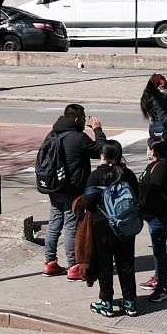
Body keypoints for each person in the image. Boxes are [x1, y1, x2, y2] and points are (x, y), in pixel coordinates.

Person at [41, 103, 104, 278]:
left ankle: (49, 262)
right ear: (76, 119)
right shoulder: (78, 138)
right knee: (70, 226)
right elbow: (101, 150)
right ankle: (73, 265)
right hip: (72, 189)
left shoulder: (53, 134)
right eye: (83, 118)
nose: (85, 122)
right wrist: (98, 130)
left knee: (54, 223)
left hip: (54, 187)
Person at [83, 139, 142, 317]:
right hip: (125, 224)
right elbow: (137, 196)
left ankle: (106, 302)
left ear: (103, 155)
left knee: (105, 264)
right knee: (126, 263)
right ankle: (130, 302)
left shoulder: (96, 176)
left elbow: (88, 202)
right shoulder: (127, 174)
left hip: (102, 225)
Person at [139, 134, 167, 300]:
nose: (147, 151)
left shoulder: (161, 168)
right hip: (155, 215)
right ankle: (158, 278)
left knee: (159, 251)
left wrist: (143, 207)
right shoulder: (158, 165)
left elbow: (154, 192)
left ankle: (162, 286)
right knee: (158, 249)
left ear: (155, 151)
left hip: (159, 215)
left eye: (149, 148)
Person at [139, 73, 167, 154]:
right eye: (163, 87)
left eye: (166, 87)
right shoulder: (158, 100)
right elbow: (164, 119)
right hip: (163, 133)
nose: (165, 89)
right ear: (155, 86)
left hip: (155, 131)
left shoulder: (150, 98)